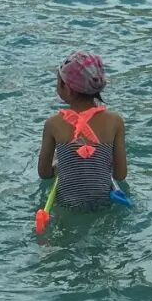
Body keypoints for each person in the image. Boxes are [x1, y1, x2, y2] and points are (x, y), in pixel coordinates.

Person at [36, 51, 128, 210]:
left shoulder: (53, 124)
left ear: (68, 89)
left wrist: (59, 165)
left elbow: (44, 173)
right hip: (103, 204)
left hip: (67, 205)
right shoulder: (115, 121)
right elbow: (120, 175)